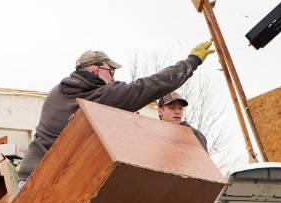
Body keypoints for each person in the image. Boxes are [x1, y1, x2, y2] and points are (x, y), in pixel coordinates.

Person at [17, 41, 216, 181]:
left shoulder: (57, 93)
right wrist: (191, 62)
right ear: (95, 70)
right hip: (52, 184)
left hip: (28, 177)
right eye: (110, 71)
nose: (113, 77)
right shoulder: (100, 97)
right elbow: (149, 86)